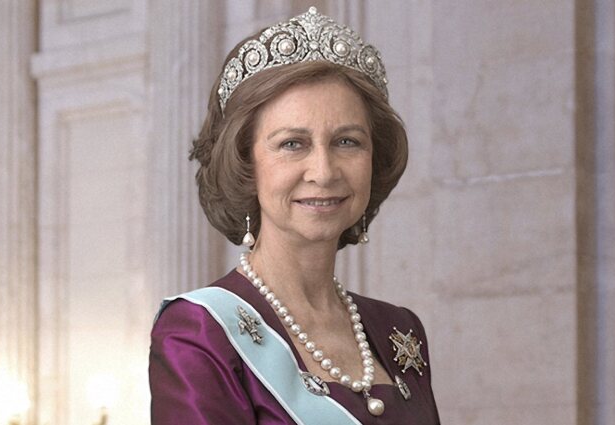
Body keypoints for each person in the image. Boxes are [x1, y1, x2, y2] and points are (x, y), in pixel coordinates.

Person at [149, 7, 440, 424]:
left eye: (347, 141)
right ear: (246, 163)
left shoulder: (400, 331)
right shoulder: (199, 332)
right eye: (292, 144)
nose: (323, 172)